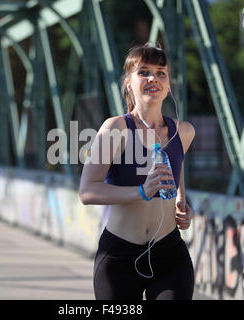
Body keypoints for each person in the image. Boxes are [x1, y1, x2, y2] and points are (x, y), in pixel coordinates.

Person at [78, 43, 195, 300]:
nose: (153, 78)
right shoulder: (115, 129)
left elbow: (177, 175)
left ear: (168, 85)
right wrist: (142, 191)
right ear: (128, 83)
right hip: (120, 258)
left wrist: (182, 204)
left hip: (169, 255)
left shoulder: (183, 132)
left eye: (161, 72)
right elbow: (87, 191)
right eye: (143, 71)